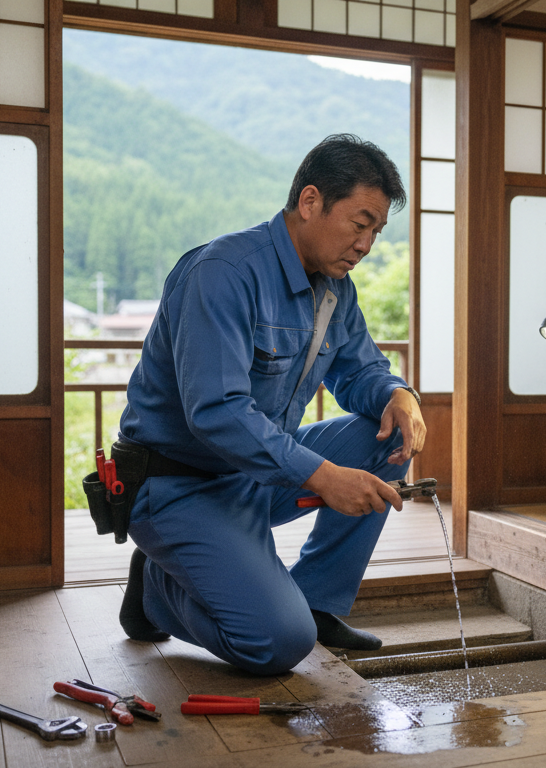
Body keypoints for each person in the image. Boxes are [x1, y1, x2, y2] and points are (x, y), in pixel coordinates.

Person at [113, 134, 426, 674]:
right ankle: (156, 594)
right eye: (360, 222)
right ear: (310, 202)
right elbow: (217, 412)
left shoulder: (334, 289)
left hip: (254, 476)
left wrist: (399, 394)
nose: (367, 243)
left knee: (388, 432)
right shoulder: (224, 273)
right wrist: (324, 476)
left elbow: (361, 369)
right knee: (277, 643)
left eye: (376, 230)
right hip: (178, 484)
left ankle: (317, 602)